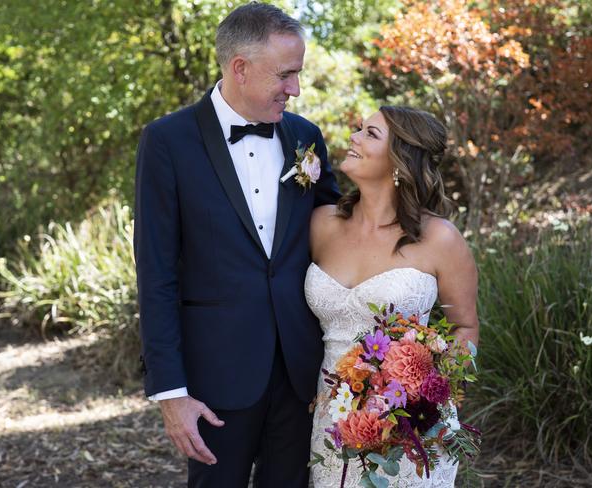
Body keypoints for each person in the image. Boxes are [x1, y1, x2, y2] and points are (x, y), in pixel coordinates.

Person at [133, 3, 340, 487]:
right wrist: (170, 392)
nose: (296, 89)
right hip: (215, 380)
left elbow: (336, 232)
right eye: (285, 75)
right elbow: (156, 271)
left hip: (299, 374)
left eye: (298, 74)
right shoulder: (167, 141)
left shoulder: (305, 137)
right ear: (239, 68)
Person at [306, 106, 479, 487]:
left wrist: (420, 398)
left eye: (369, 133)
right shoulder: (321, 224)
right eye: (359, 130)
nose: (353, 138)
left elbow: (465, 327)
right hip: (332, 419)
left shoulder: (440, 239)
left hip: (411, 430)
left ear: (401, 159)